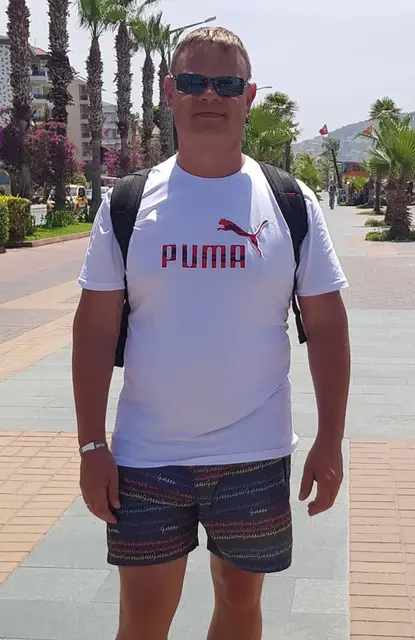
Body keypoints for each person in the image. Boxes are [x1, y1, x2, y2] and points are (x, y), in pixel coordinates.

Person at [73, 26, 350, 640]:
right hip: (148, 456)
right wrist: (92, 446)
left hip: (254, 452)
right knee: (143, 618)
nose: (209, 95)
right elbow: (93, 329)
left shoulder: (290, 201)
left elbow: (328, 327)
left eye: (226, 84)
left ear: (248, 97)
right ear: (170, 92)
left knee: (240, 602)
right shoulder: (128, 202)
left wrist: (330, 441)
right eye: (194, 81)